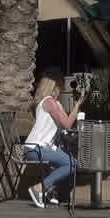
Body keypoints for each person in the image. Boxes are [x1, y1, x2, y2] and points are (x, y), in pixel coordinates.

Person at [23, 73, 84, 208]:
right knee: (71, 164)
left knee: (68, 161)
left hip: (38, 147)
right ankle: (40, 188)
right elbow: (67, 124)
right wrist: (77, 106)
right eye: (62, 84)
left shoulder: (47, 102)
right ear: (55, 85)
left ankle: (51, 192)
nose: (64, 88)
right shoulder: (50, 102)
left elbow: (63, 124)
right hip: (36, 148)